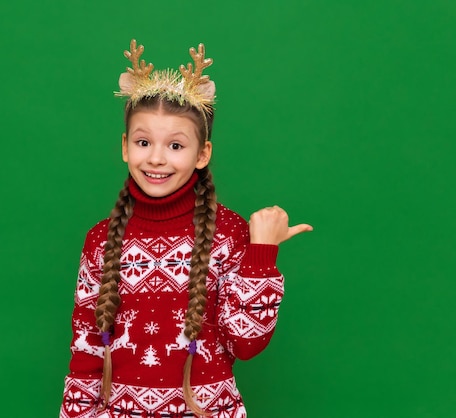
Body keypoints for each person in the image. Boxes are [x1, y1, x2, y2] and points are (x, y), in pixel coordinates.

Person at [60, 39, 312, 418]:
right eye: (144, 142)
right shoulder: (100, 240)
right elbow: (86, 355)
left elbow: (245, 343)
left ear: (202, 154)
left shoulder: (227, 232)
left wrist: (261, 255)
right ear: (126, 147)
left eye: (176, 146)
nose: (157, 158)